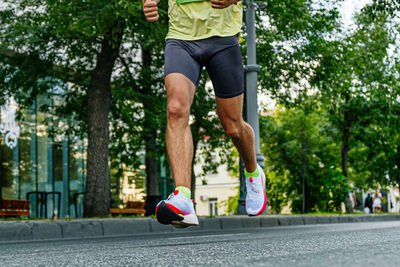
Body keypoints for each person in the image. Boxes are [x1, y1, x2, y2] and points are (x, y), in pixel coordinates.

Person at [142, 0, 267, 228]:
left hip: (223, 38)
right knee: (175, 109)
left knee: (232, 125)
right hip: (181, 36)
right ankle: (183, 197)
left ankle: (253, 172)